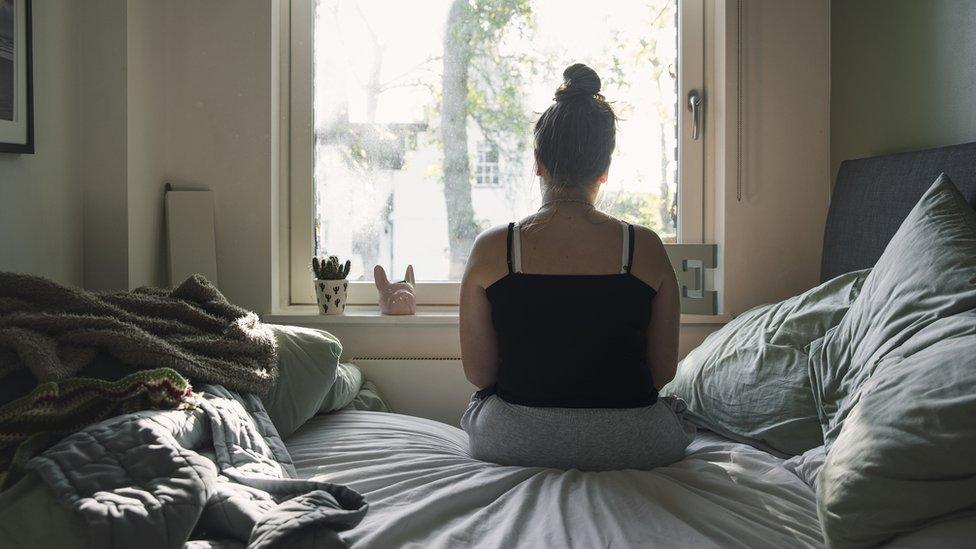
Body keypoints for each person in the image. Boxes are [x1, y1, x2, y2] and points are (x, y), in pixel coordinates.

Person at [459, 63, 694, 471]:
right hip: (635, 442)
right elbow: (661, 372)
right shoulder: (645, 247)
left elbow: (481, 375)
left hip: (514, 440)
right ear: (604, 169)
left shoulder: (494, 248)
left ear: (538, 162)